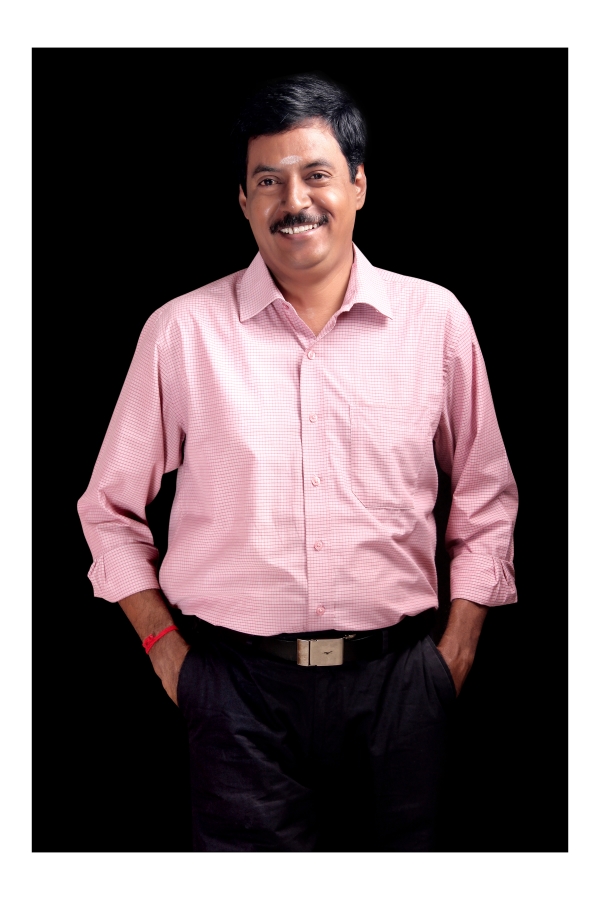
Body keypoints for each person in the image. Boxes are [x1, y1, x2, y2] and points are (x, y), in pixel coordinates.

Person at [77, 73, 518, 852]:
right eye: (268, 181)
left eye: (316, 174)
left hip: (402, 687)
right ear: (243, 201)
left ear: (358, 185)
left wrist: (456, 650)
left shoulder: (437, 322)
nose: (295, 200)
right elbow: (108, 511)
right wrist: (165, 650)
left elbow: (486, 497)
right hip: (234, 694)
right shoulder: (181, 333)